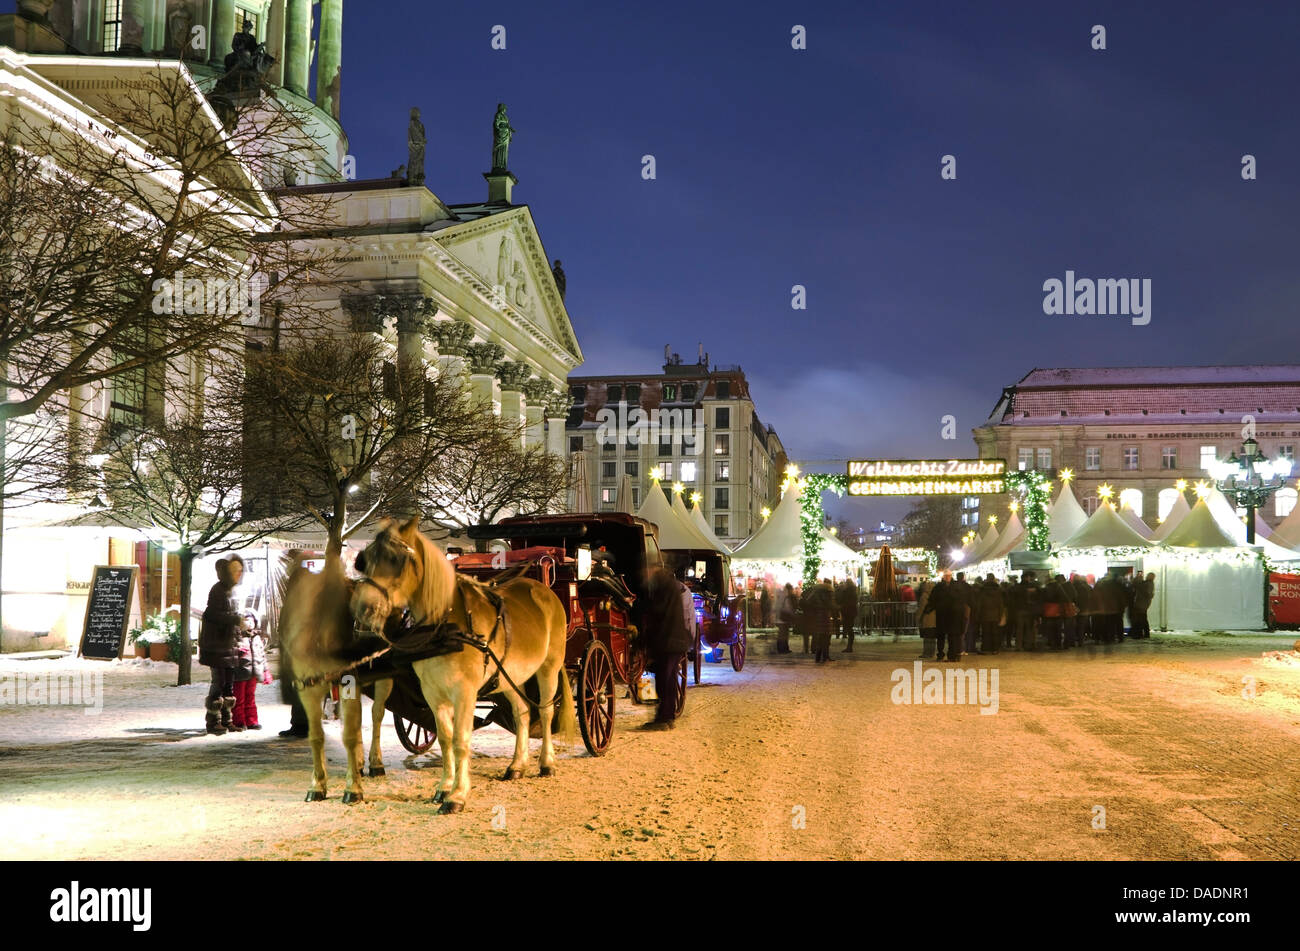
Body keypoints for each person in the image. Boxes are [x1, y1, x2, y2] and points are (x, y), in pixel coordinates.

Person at [637, 560, 694, 730]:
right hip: (674, 639)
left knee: (663, 680)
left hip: (669, 640)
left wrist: (642, 610)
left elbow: (658, 609)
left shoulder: (662, 586)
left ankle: (663, 718)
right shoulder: (670, 585)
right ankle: (667, 717)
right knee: (668, 679)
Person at [199, 556, 249, 735]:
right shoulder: (218, 590)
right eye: (236, 571)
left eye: (240, 571)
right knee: (219, 683)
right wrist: (235, 619)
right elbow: (213, 615)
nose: (239, 574)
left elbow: (230, 616)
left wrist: (241, 630)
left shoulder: (231, 590)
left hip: (228, 645)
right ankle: (213, 721)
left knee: (229, 684)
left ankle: (227, 720)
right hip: (217, 646)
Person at [232, 619, 269, 730]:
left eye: (252, 620)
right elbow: (229, 649)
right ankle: (239, 721)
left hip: (253, 672)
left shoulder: (256, 637)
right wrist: (237, 650)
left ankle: (251, 721)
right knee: (239, 698)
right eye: (247, 619)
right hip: (240, 672)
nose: (250, 623)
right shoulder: (237, 636)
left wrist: (265, 670)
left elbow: (262, 655)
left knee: (250, 698)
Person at [928, 571, 967, 662]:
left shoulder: (954, 587)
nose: (947, 577)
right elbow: (932, 600)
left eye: (948, 576)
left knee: (951, 636)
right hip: (944, 614)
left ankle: (951, 655)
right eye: (946, 576)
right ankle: (941, 654)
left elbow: (961, 600)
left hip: (952, 615)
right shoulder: (939, 587)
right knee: (942, 636)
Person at [801, 578, 835, 663]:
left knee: (821, 636)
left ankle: (819, 657)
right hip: (825, 616)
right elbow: (830, 604)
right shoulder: (827, 592)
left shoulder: (816, 592)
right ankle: (824, 656)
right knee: (826, 636)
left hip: (818, 616)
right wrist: (838, 607)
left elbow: (808, 602)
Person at [975, 573, 1003, 654]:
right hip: (995, 614)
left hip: (984, 614)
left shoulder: (983, 590)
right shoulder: (998, 590)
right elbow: (1000, 604)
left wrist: (978, 614)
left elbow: (979, 603)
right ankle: (995, 648)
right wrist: (1000, 615)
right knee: (995, 632)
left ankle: (986, 648)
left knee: (985, 632)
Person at [1014, 571, 1042, 652]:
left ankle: (1018, 646)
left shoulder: (1017, 587)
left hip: (1019, 610)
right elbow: (1039, 596)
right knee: (1029, 628)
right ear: (1028, 577)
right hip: (1029, 610)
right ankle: (1028, 645)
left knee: (1019, 629)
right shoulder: (1032, 587)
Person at [916, 578, 937, 659]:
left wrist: (918, 618)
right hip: (934, 619)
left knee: (927, 637)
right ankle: (932, 652)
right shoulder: (935, 595)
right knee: (932, 638)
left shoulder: (924, 596)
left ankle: (926, 653)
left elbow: (921, 608)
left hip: (927, 619)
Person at [836, 577, 859, 652]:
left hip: (846, 611)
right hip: (852, 612)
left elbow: (841, 600)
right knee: (850, 629)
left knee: (849, 628)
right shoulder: (854, 591)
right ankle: (850, 646)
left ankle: (849, 647)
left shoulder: (846, 591)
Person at [1132, 572, 1155, 638]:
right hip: (1143, 604)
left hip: (1142, 604)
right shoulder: (1148, 583)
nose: (1146, 576)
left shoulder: (1147, 583)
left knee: (1141, 619)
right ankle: (1144, 634)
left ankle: (1140, 634)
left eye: (1148, 575)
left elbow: (1138, 586)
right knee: (1142, 619)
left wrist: (1138, 579)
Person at [775, 582, 796, 654]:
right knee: (783, 634)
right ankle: (782, 649)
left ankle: (783, 648)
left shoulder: (782, 596)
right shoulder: (785, 597)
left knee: (783, 634)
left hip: (781, 618)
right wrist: (792, 614)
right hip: (783, 619)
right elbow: (787, 608)